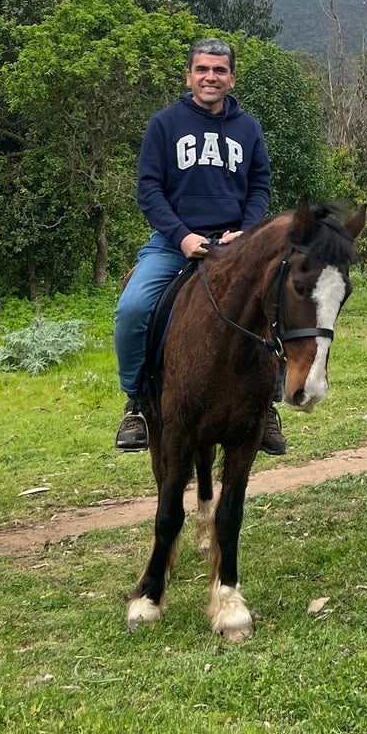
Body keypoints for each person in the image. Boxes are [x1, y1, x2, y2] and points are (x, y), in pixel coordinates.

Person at [112, 38, 276, 456]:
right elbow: (148, 190)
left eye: (220, 70)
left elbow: (259, 186)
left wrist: (246, 231)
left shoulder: (249, 127)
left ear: (232, 78)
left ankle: (269, 403)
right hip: (172, 244)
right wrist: (182, 237)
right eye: (203, 69)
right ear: (189, 75)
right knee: (132, 310)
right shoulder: (164, 124)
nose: (211, 77)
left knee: (282, 302)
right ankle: (135, 402)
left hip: (235, 243)